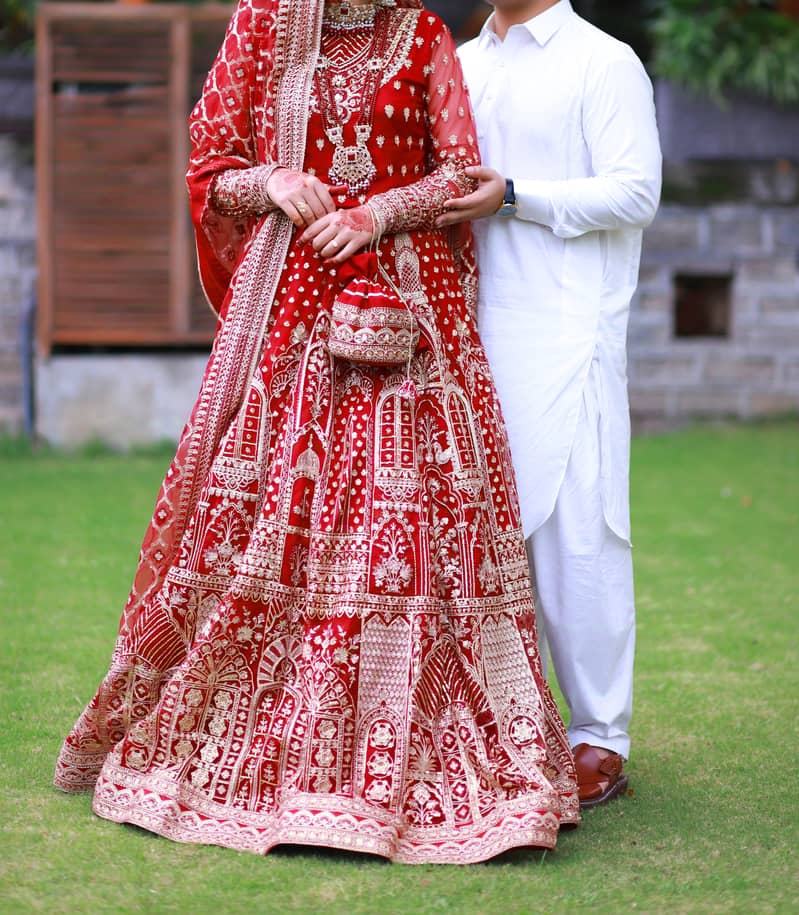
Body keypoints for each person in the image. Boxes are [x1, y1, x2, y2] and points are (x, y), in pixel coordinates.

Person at [54, 0, 579, 863]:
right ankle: (262, 743)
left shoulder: (420, 33)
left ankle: (413, 755)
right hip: (292, 312)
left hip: (411, 323)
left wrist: (376, 215)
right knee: (268, 525)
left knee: (409, 531)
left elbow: (459, 175)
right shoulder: (262, 23)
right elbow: (211, 163)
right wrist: (275, 184)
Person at [438, 0, 662, 808]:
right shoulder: (463, 62)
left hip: (568, 330)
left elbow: (636, 191)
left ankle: (599, 736)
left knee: (579, 534)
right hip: (467, 330)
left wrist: (514, 196)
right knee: (472, 534)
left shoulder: (602, 62)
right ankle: (484, 723)